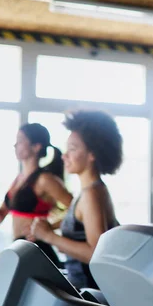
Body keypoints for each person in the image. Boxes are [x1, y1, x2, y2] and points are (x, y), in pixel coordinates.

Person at [29, 110, 122, 290]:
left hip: (89, 296)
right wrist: (49, 228)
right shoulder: (91, 191)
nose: (64, 156)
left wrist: (49, 237)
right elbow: (82, 229)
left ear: (92, 154)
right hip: (82, 288)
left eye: (72, 149)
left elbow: (96, 254)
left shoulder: (92, 194)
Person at [0, 123, 72, 267]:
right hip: (19, 247)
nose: (15, 145)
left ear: (36, 147)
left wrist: (50, 227)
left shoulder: (45, 179)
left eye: (21, 140)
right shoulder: (18, 179)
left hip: (37, 248)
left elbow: (77, 210)